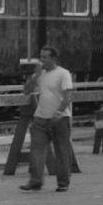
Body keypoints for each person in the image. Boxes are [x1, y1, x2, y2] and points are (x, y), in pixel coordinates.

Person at [20, 46, 74, 193]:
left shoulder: (63, 74)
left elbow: (68, 96)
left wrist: (59, 112)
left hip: (59, 118)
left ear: (53, 58)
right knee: (36, 150)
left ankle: (63, 183)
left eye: (45, 57)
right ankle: (35, 181)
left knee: (61, 151)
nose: (41, 60)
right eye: (41, 57)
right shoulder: (41, 74)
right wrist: (36, 76)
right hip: (41, 118)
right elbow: (26, 91)